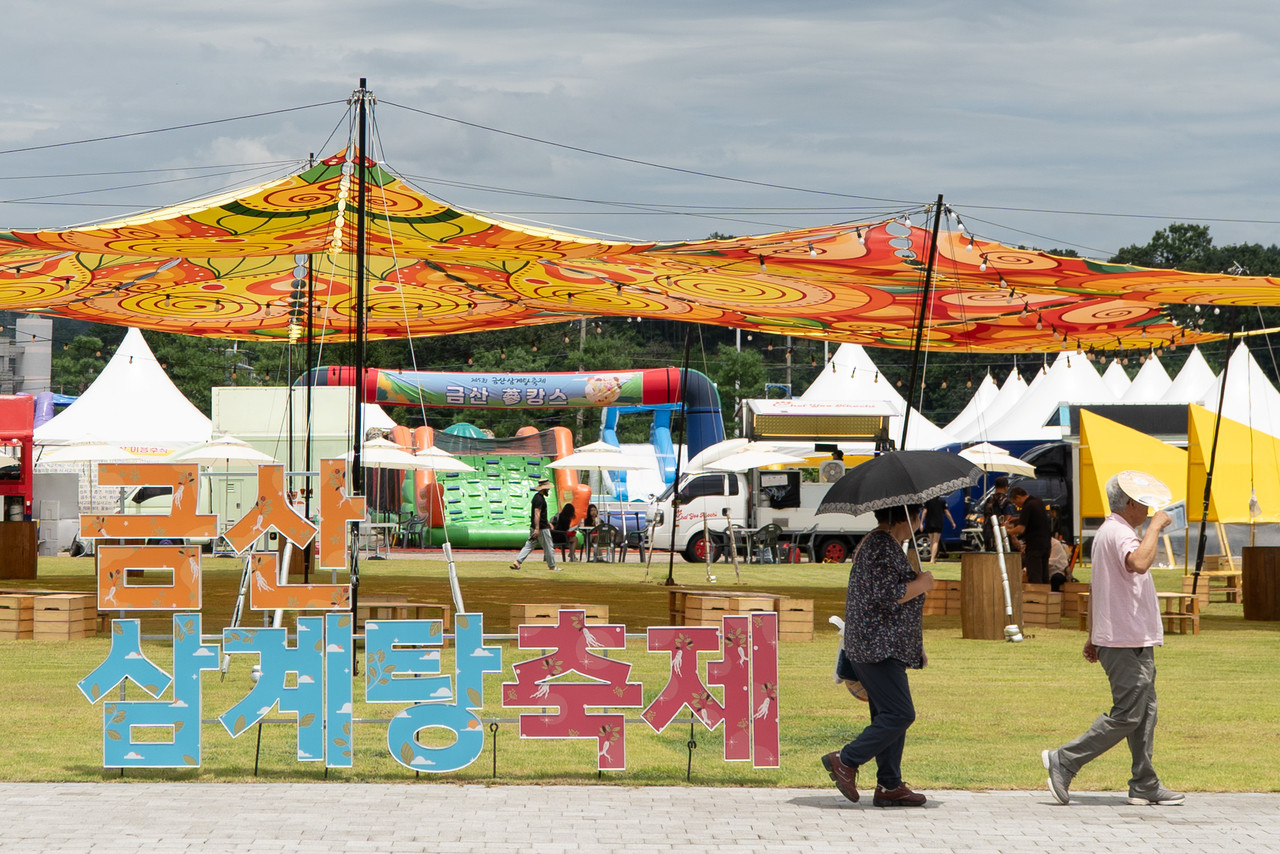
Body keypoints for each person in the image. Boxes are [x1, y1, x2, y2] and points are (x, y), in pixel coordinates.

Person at [1041, 472, 1182, 807]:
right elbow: (1140, 563)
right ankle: (1065, 760)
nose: (1149, 509)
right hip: (1124, 641)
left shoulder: (1109, 531)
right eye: (1144, 504)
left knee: (1145, 713)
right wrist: (1156, 528)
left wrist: (1094, 635)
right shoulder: (1120, 533)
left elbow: (1102, 588)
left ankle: (1145, 782)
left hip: (1122, 637)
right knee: (1128, 715)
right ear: (1130, 504)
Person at [822, 503, 933, 807]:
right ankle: (845, 760)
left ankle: (889, 784)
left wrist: (915, 644)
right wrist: (921, 584)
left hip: (883, 644)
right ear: (910, 516)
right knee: (900, 714)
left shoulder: (882, 543)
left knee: (887, 714)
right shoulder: (882, 545)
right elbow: (891, 594)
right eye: (920, 514)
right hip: (876, 647)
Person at [511, 479, 559, 571]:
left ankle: (517, 562)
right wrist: (537, 529)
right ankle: (552, 566)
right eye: (547, 489)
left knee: (529, 544)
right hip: (541, 528)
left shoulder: (536, 497)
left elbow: (538, 515)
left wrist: (546, 523)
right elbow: (537, 513)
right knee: (549, 547)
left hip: (536, 526)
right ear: (544, 489)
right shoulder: (540, 499)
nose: (548, 490)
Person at [1005, 486, 1051, 584]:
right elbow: (1034, 518)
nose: (1017, 505)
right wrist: (1018, 519)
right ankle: (1046, 595)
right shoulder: (1038, 502)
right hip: (1046, 543)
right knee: (1044, 573)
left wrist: (1007, 531)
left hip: (1034, 545)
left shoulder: (1027, 506)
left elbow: (1021, 529)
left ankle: (1036, 596)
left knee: (1035, 574)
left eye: (1015, 502)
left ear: (1018, 497)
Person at [980, 477, 1011, 551]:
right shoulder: (1005, 501)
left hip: (987, 530)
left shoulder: (988, 500)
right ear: (1006, 487)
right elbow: (1008, 518)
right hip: (999, 533)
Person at [922, 495, 955, 563]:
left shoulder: (928, 501)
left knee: (931, 541)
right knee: (935, 541)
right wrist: (952, 522)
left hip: (929, 522)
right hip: (938, 523)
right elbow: (947, 513)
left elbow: (924, 512)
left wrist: (921, 522)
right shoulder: (942, 501)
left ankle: (931, 556)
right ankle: (932, 558)